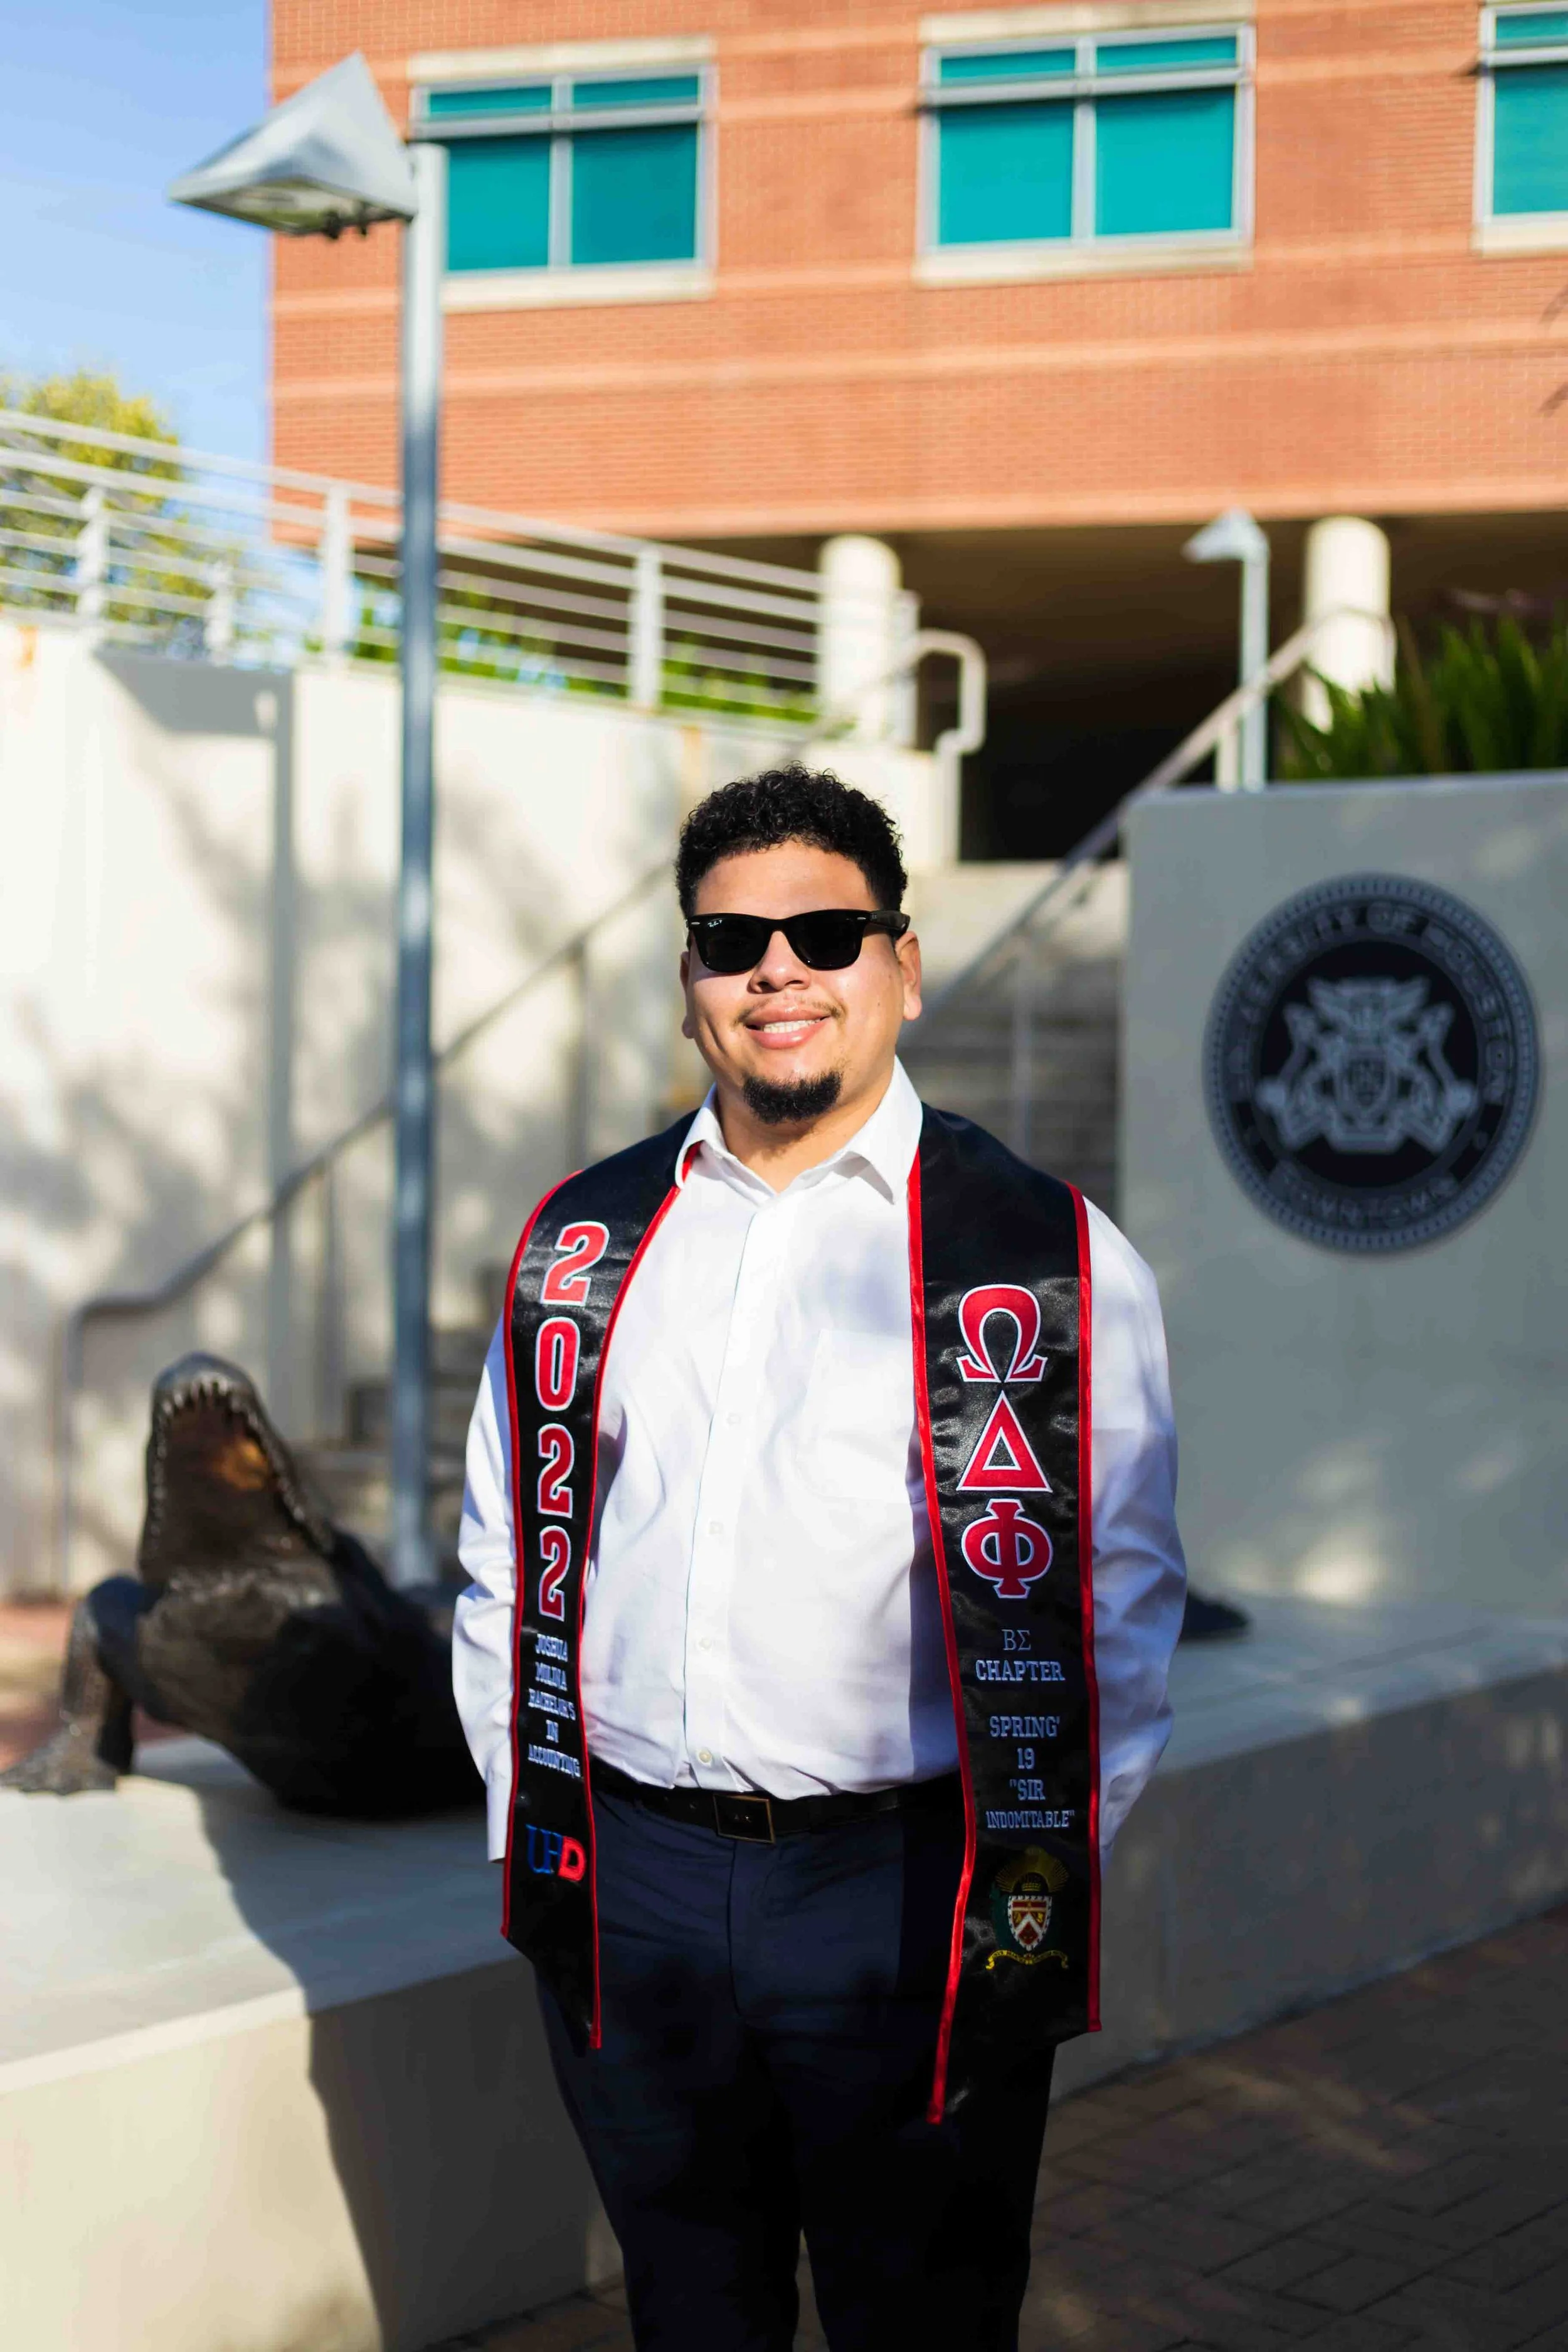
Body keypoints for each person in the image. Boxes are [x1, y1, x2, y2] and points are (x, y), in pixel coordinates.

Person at [453, 765, 1185, 2352]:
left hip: (909, 1895)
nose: (776, 968)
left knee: (920, 2319)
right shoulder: (583, 1242)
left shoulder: (1045, 1255)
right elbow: (504, 1559)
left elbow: (1115, 1613)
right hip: (634, 1887)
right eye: (731, 939)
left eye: (824, 931)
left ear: (900, 968)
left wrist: (1035, 1873)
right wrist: (535, 1813)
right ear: (692, 984)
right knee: (688, 2309)